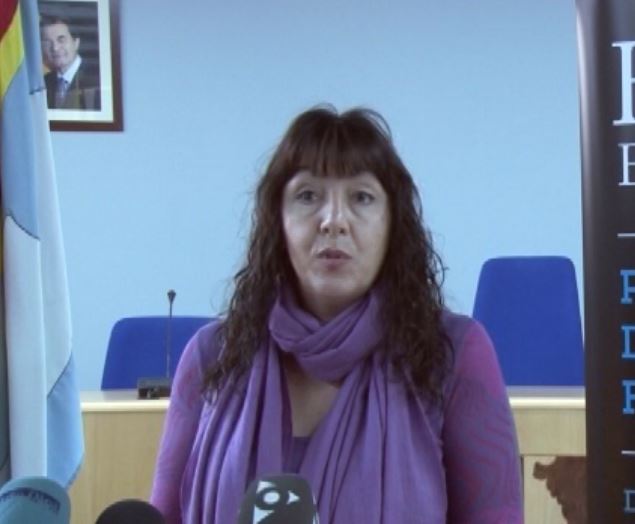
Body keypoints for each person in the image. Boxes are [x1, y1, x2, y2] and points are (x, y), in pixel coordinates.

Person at [150, 106, 523, 523]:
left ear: (393, 224)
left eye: (361, 197)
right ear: (277, 222)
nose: (333, 221)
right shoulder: (213, 354)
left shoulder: (452, 354)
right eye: (308, 196)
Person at [40, 15, 101, 110]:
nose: (55, 48)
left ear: (76, 42)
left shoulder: (98, 79)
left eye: (61, 40)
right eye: (47, 42)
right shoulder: (43, 83)